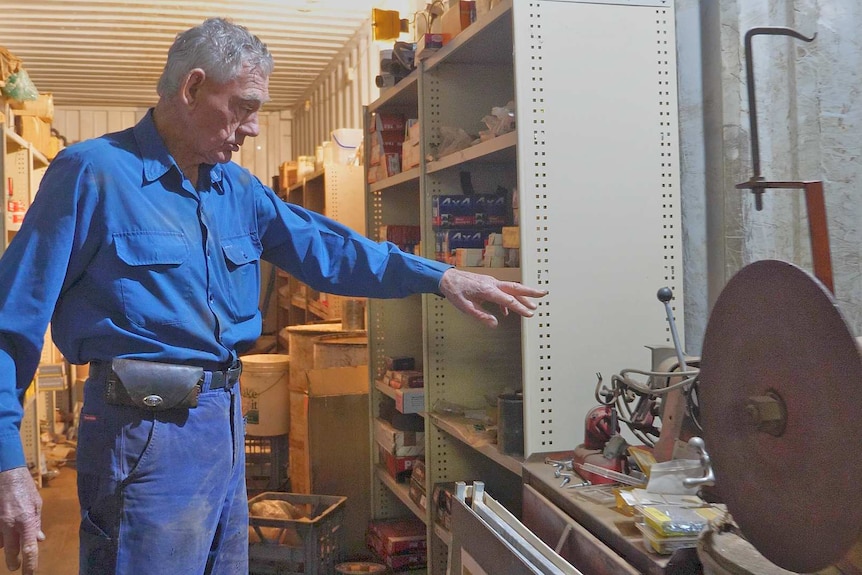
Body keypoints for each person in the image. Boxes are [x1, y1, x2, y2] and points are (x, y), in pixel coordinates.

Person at [0, 17, 546, 575]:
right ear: (191, 89)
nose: (253, 128)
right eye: (243, 106)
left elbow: (330, 250)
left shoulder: (236, 189)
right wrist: (7, 463)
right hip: (140, 433)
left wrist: (442, 276)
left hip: (223, 421)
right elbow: (9, 321)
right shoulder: (93, 173)